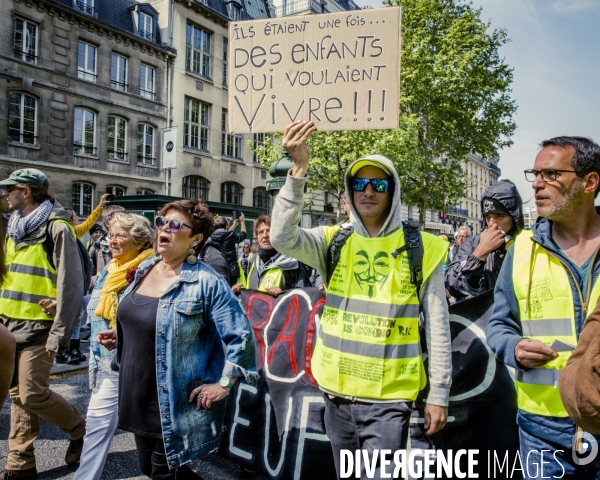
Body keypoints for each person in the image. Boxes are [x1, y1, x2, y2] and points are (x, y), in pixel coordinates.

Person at [270, 121, 452, 478]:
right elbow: (281, 237)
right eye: (359, 184)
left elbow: (438, 328)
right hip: (335, 396)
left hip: (388, 403)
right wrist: (298, 171)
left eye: (379, 184)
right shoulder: (332, 240)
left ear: (393, 191)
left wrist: (439, 394)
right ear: (350, 191)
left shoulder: (423, 249)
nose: (368, 191)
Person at [97, 200, 258, 479]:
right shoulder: (146, 267)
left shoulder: (207, 282)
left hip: (173, 399)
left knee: (162, 472)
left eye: (175, 225)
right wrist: (124, 334)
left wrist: (223, 384)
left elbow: (242, 338)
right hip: (137, 391)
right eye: (161, 222)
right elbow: (146, 317)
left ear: (196, 239)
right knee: (149, 468)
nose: (164, 229)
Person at [486, 136, 600, 479]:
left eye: (551, 173)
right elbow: (499, 325)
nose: (537, 184)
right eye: (534, 174)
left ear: (590, 182)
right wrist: (513, 347)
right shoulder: (522, 248)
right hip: (542, 433)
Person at [0, 168, 86, 480]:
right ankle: (21, 463)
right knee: (18, 395)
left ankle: (79, 428)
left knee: (32, 393)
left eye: (11, 189)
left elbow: (71, 284)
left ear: (27, 192)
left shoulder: (57, 228)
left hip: (39, 326)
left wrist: (59, 334)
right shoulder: (13, 226)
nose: (6, 194)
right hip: (8, 326)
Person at [73, 213, 154, 480]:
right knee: (96, 426)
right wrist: (71, 305)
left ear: (139, 240)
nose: (113, 240)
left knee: (155, 440)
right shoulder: (112, 267)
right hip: (106, 359)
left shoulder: (151, 269)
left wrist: (125, 335)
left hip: (139, 362)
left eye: (120, 235)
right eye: (112, 234)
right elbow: (97, 300)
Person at [55, 193, 112, 365]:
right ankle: (62, 350)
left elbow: (88, 223)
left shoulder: (73, 232)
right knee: (71, 316)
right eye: (74, 215)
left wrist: (100, 206)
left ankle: (73, 348)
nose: (77, 217)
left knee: (77, 317)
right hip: (68, 283)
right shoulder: (64, 231)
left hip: (78, 283)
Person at [445, 180, 524, 301]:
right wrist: (479, 254)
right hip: (485, 316)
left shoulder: (527, 243)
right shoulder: (473, 243)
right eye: (488, 217)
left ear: (514, 217)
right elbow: (452, 284)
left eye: (500, 216)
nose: (492, 224)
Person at [235, 215, 312, 296]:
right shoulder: (253, 261)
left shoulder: (292, 261)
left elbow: (304, 295)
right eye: (260, 232)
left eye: (268, 231)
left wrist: (283, 293)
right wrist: (239, 292)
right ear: (257, 237)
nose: (265, 235)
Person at [89, 204, 126, 278]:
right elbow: (89, 271)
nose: (125, 222)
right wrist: (96, 282)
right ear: (107, 223)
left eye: (125, 218)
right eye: (119, 219)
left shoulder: (131, 243)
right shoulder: (97, 246)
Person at [209, 214, 247, 285]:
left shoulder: (211, 236)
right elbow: (243, 235)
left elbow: (225, 234)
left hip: (215, 268)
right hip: (230, 269)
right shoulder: (229, 235)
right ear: (226, 226)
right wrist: (242, 222)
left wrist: (234, 225)